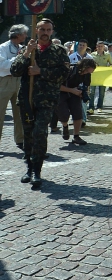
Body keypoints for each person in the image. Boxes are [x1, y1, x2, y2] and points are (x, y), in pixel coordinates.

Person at [11, 18, 70, 188]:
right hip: (27, 99)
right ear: (36, 30)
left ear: (52, 31)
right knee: (28, 134)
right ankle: (29, 168)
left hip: (46, 100)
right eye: (42, 29)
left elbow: (64, 73)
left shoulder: (58, 51)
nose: (45, 32)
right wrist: (27, 54)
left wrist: (40, 71)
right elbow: (15, 71)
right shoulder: (26, 48)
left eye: (48, 29)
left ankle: (37, 170)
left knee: (39, 133)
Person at [0, 24, 29, 152]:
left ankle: (20, 139)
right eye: (24, 33)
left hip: (19, 81)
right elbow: (2, 65)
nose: (26, 36)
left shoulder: (23, 48)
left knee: (20, 112)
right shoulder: (3, 47)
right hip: (5, 81)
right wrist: (19, 59)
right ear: (17, 35)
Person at [58, 58, 97, 145]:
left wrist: (83, 93)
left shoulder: (87, 75)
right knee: (63, 114)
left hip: (75, 95)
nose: (87, 73)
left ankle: (76, 136)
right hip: (62, 93)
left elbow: (86, 86)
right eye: (87, 71)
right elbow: (57, 86)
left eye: (89, 73)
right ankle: (65, 126)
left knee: (78, 114)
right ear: (83, 67)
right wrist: (71, 90)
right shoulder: (69, 70)